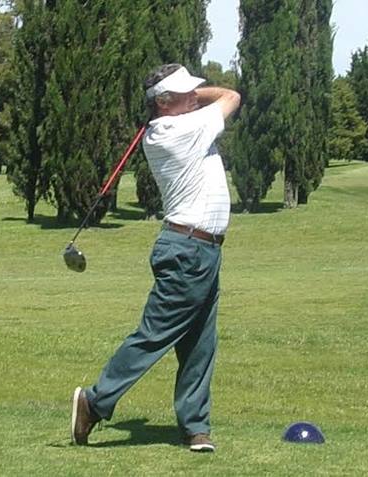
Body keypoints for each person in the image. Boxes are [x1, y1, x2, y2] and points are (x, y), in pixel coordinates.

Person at [71, 64, 241, 452]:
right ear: (163, 103)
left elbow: (210, 99)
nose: (195, 95)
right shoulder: (176, 131)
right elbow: (232, 96)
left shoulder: (176, 122)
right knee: (155, 335)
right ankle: (94, 402)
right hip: (187, 250)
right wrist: (201, 96)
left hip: (203, 250)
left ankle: (195, 426)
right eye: (185, 92)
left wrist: (189, 95)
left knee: (200, 342)